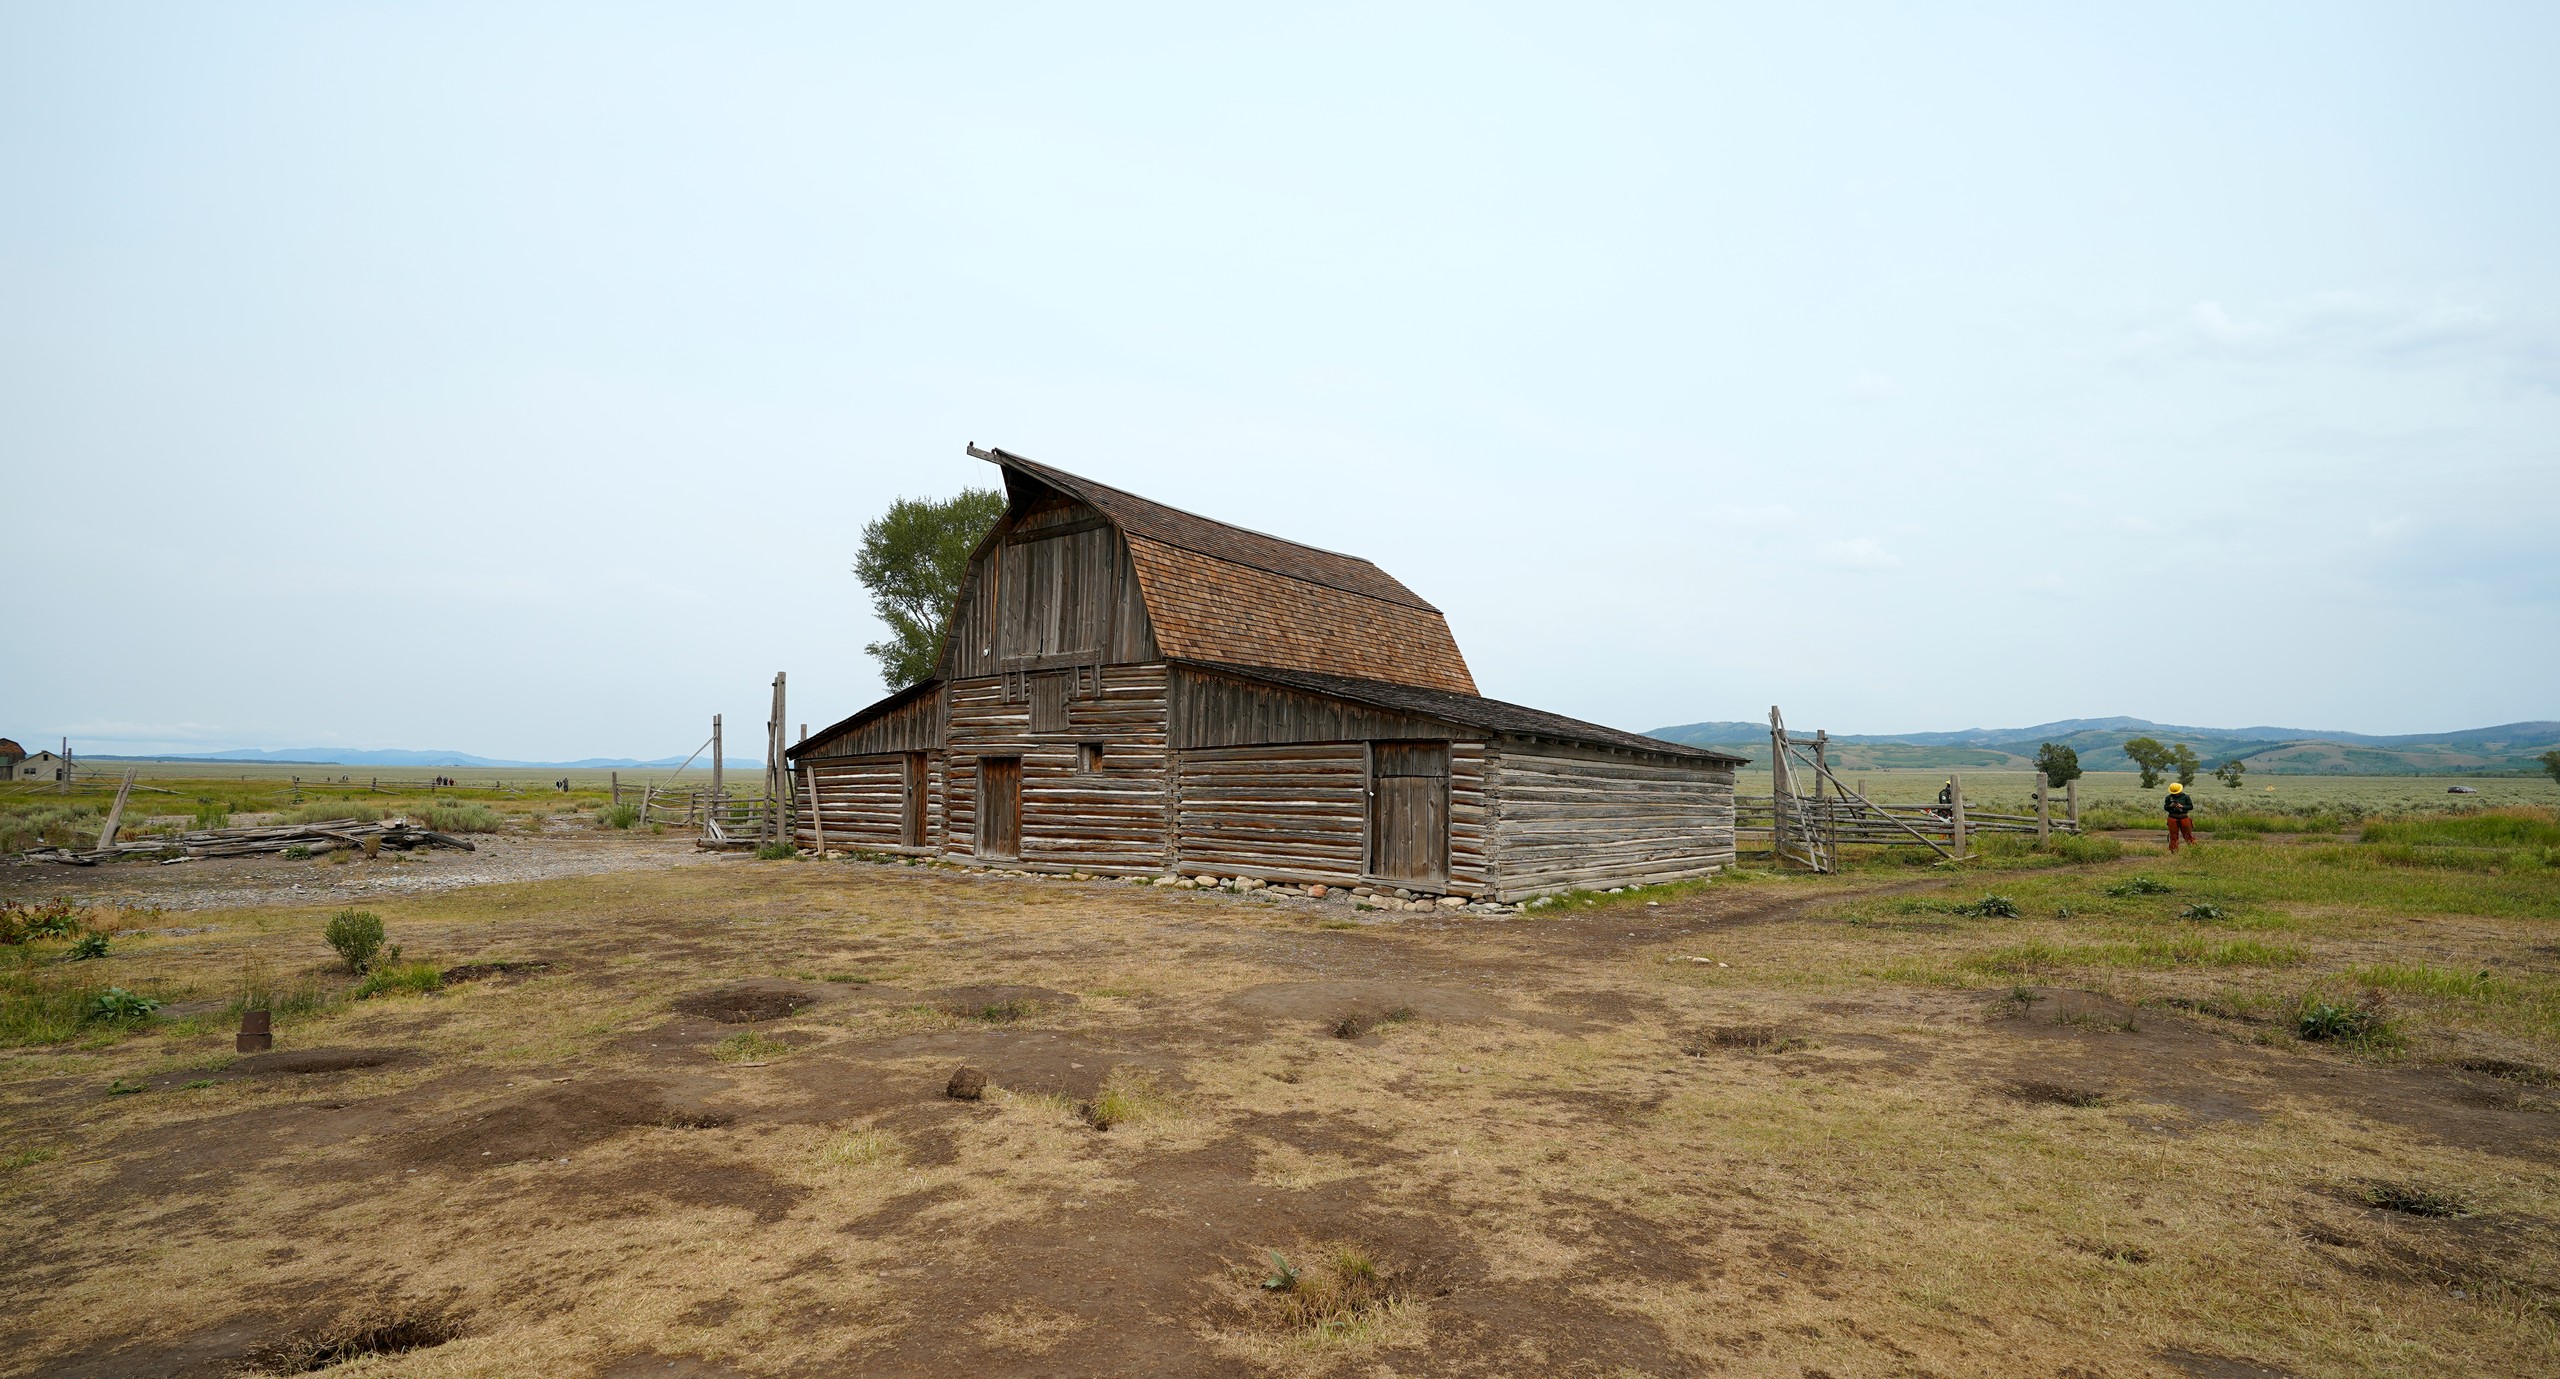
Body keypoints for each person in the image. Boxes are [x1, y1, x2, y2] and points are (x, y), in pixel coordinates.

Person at [2163, 781, 2196, 852]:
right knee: (2173, 835)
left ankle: (2193, 849)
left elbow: (2190, 807)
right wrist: (2170, 806)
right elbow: (2165, 808)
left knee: (2188, 834)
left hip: (2184, 817)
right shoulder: (2168, 798)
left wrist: (2182, 807)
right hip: (2172, 818)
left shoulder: (2186, 797)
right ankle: (2173, 850)